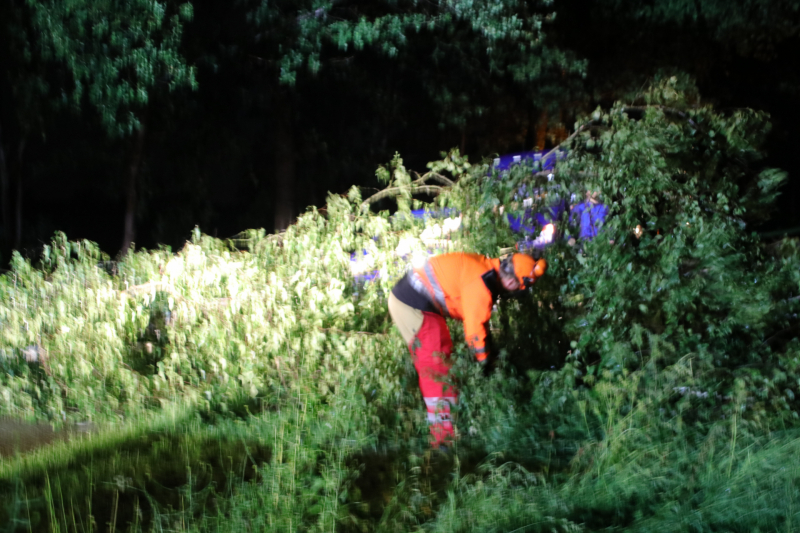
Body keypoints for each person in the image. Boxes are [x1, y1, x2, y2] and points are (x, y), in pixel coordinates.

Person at [388, 252, 547, 447]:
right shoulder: (481, 282)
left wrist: (488, 353)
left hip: (414, 299)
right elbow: (474, 333)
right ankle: (443, 441)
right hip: (413, 302)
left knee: (442, 362)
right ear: (512, 281)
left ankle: (450, 428)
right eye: (517, 290)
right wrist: (484, 362)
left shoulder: (485, 269)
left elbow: (478, 320)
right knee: (437, 368)